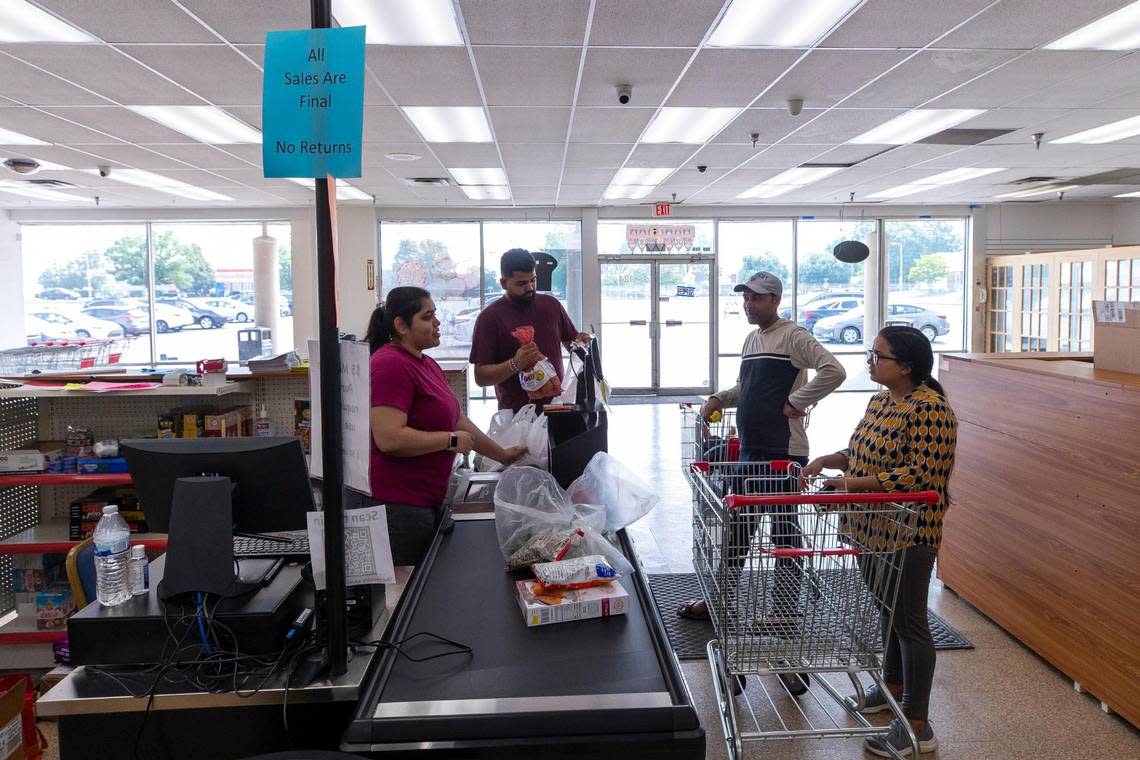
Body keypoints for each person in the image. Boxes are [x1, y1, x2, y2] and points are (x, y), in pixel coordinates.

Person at [800, 325, 957, 757]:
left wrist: (850, 486)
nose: (870, 361)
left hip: (909, 534)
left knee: (909, 622)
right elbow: (861, 451)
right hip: (869, 529)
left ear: (905, 366)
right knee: (887, 612)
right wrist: (829, 461)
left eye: (878, 355)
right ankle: (890, 685)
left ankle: (917, 724)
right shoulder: (880, 401)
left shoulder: (931, 411)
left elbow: (920, 478)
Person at [678, 271, 846, 617]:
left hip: (784, 452)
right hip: (753, 448)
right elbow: (745, 389)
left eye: (756, 298)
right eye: (746, 298)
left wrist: (799, 400)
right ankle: (719, 603)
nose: (748, 304)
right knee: (738, 527)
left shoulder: (793, 336)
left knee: (783, 531)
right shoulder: (752, 340)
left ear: (775, 301)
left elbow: (834, 370)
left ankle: (784, 609)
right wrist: (718, 399)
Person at [364, 287, 527, 566]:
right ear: (401, 326)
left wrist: (502, 455)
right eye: (427, 317)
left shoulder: (425, 363)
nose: (437, 323)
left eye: (435, 315)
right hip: (399, 507)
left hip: (428, 501)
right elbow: (389, 439)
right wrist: (450, 441)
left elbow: (457, 418)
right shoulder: (389, 365)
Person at [469, 249, 589, 412]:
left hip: (558, 407)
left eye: (533, 280)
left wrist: (581, 344)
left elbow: (571, 343)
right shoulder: (489, 318)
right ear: (504, 283)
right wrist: (515, 364)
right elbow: (481, 377)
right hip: (517, 415)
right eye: (521, 283)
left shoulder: (551, 305)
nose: (530, 287)